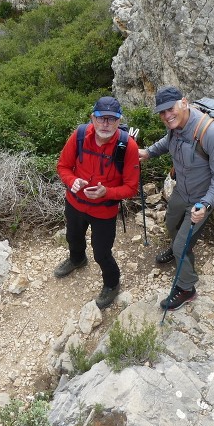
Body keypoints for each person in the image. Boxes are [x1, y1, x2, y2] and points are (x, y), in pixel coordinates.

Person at [138, 86, 214, 310]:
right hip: (182, 191)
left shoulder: (211, 133)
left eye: (170, 109)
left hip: (201, 199)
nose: (166, 115)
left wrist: (206, 205)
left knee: (181, 245)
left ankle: (187, 288)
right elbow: (166, 142)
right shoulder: (175, 126)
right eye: (162, 112)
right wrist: (148, 152)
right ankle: (180, 249)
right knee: (170, 222)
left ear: (184, 103)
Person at [54, 96, 139, 310]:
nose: (106, 124)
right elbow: (63, 166)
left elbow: (131, 187)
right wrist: (73, 181)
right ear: (93, 118)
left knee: (101, 251)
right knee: (73, 237)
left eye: (112, 119)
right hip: (74, 203)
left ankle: (112, 283)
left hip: (104, 211)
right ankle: (77, 259)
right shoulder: (80, 135)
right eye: (101, 118)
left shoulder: (126, 146)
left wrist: (106, 192)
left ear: (119, 121)